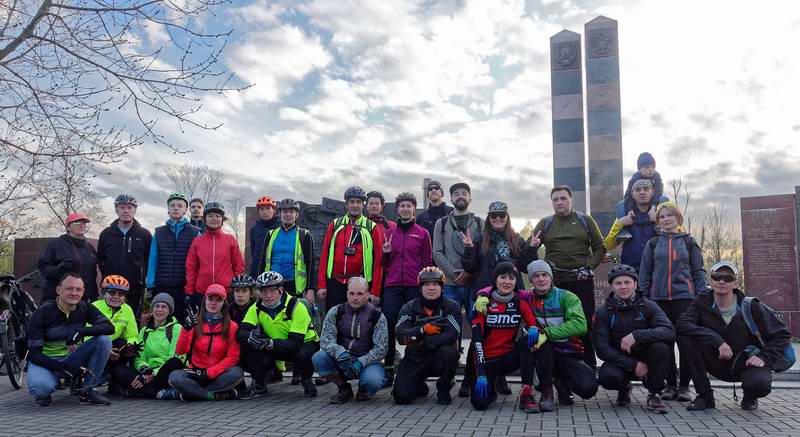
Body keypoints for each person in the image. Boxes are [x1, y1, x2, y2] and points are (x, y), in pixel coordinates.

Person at [475, 260, 598, 409]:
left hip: (567, 354)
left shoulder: (567, 297)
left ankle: (562, 382)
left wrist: (547, 333)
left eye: (545, 275)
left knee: (588, 387)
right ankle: (547, 392)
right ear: (531, 280)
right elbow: (503, 288)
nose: (541, 279)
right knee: (534, 343)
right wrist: (483, 294)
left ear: (551, 277)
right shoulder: (526, 296)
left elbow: (580, 325)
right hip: (541, 354)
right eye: (536, 276)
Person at [677, 261, 791, 411]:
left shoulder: (751, 306)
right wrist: (717, 341)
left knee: (760, 384)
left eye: (728, 278)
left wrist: (763, 358)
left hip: (747, 363)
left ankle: (750, 396)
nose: (722, 281)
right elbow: (682, 324)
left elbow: (782, 335)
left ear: (735, 284)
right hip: (716, 361)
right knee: (685, 337)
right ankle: (705, 396)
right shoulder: (701, 302)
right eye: (717, 277)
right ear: (711, 281)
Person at [461, 201, 537, 396]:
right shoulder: (480, 239)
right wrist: (469, 249)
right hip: (487, 295)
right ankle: (469, 380)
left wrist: (532, 248)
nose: (497, 219)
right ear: (489, 218)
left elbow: (526, 266)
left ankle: (500, 379)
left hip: (512, 295)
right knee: (481, 337)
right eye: (493, 216)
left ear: (507, 217)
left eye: (501, 215)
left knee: (508, 336)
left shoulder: (516, 239)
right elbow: (471, 268)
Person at [530, 185, 606, 369]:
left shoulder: (584, 220)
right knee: (554, 323)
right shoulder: (545, 223)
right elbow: (528, 248)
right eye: (555, 199)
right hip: (554, 283)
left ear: (571, 200)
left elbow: (600, 248)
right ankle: (552, 367)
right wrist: (535, 255)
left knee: (584, 323)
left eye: (563, 198)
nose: (559, 202)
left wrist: (589, 267)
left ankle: (589, 365)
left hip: (581, 281)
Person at [639, 201, 706, 401]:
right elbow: (645, 273)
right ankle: (670, 385)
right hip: (658, 300)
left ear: (678, 218)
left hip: (685, 298)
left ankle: (685, 386)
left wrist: (701, 296)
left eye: (670, 216)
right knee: (664, 342)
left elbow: (698, 271)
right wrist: (644, 297)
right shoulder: (652, 243)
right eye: (662, 217)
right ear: (658, 221)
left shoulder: (689, 242)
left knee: (685, 343)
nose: (666, 219)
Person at [594, 264, 674, 414]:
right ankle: (623, 387)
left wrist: (637, 335)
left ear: (635, 284)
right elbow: (602, 349)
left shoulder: (649, 306)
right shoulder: (603, 313)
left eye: (627, 282)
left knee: (661, 348)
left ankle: (654, 394)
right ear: (611, 286)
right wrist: (634, 364)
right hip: (620, 361)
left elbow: (669, 331)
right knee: (607, 377)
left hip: (648, 357)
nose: (623, 287)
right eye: (618, 283)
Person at [26, 273, 114, 406]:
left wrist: (81, 332)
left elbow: (109, 327)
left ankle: (87, 390)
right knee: (41, 390)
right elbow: (34, 354)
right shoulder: (42, 312)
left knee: (104, 340)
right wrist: (64, 368)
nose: (74, 293)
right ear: (58, 290)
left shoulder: (84, 307)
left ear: (83, 292)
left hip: (73, 357)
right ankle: (53, 383)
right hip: (47, 360)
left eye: (78, 289)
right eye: (69, 289)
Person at [469, 262, 540, 413]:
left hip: (508, 358)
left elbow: (532, 322)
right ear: (495, 279)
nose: (507, 282)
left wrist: (533, 328)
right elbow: (477, 341)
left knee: (527, 341)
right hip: (486, 361)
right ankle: (491, 386)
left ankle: (527, 393)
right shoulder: (483, 303)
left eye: (512, 278)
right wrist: (481, 373)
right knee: (479, 404)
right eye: (503, 277)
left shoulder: (520, 302)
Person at [237, 271, 321, 399]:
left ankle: (306, 380)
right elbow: (242, 331)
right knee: (247, 346)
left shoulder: (297, 307)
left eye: (272, 290)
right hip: (275, 345)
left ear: (281, 290)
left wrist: (270, 343)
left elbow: (295, 342)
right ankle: (260, 382)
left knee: (303, 355)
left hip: (304, 344)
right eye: (264, 291)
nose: (268, 295)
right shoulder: (257, 307)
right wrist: (251, 338)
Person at [381, 192, 432, 384]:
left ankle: (416, 368)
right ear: (397, 209)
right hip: (393, 286)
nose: (405, 209)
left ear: (413, 209)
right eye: (402, 206)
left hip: (413, 286)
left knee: (415, 327)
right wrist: (386, 254)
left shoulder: (422, 233)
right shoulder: (389, 234)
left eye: (409, 206)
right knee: (389, 325)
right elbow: (384, 265)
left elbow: (427, 262)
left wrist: (424, 287)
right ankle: (388, 368)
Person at [392, 267, 461, 406]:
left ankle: (444, 387)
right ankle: (418, 384)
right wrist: (422, 330)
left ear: (442, 287)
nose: (431, 288)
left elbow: (452, 334)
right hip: (415, 357)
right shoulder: (409, 307)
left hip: (439, 356)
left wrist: (425, 341)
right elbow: (400, 334)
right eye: (427, 284)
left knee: (450, 352)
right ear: (420, 287)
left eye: (435, 284)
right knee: (401, 397)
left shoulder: (452, 307)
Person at [313, 277, 388, 403]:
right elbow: (326, 340)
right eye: (351, 293)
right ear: (347, 293)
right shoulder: (336, 311)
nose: (355, 297)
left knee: (374, 381)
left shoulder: (377, 316)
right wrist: (339, 352)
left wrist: (362, 361)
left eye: (360, 293)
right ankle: (344, 388)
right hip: (341, 358)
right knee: (318, 358)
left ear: (367, 294)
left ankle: (363, 389)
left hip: (366, 361)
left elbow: (381, 348)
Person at [162, 284, 244, 401]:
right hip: (196, 371)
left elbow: (232, 357)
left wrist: (210, 372)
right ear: (205, 300)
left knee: (237, 373)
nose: (213, 303)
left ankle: (193, 393)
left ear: (223, 304)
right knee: (175, 377)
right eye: (210, 299)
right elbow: (181, 351)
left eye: (218, 300)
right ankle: (213, 395)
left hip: (218, 373)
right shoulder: (195, 322)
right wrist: (186, 329)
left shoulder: (232, 326)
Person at [317, 186, 384, 310]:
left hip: (360, 284)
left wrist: (375, 291)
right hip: (336, 282)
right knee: (333, 320)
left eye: (358, 202)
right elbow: (325, 255)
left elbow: (378, 261)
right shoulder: (335, 224)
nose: (355, 205)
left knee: (359, 323)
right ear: (346, 204)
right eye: (351, 202)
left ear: (363, 205)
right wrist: (321, 284)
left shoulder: (371, 227)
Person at [111, 293, 185, 399]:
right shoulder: (144, 331)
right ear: (152, 309)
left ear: (169, 311)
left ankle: (141, 391)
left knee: (174, 362)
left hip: (165, 372)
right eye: (157, 306)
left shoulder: (176, 328)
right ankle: (156, 393)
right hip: (147, 373)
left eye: (164, 307)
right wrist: (144, 369)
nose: (159, 310)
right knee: (117, 370)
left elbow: (175, 355)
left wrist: (151, 375)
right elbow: (139, 357)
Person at [146, 192, 201, 321]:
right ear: (168, 209)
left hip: (184, 286)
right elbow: (153, 260)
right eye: (172, 205)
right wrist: (150, 285)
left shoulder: (195, 232)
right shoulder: (158, 232)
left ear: (185, 210)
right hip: (162, 285)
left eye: (180, 206)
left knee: (183, 321)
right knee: (162, 320)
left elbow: (199, 262)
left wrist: (194, 286)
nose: (176, 208)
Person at [96, 194, 152, 317]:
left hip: (135, 286)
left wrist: (141, 276)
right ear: (117, 210)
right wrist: (107, 275)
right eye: (122, 207)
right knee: (108, 319)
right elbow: (100, 259)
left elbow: (149, 260)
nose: (126, 211)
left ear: (134, 210)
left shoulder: (144, 234)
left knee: (132, 318)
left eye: (130, 208)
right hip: (111, 286)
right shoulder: (106, 233)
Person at [185, 201, 245, 310]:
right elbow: (191, 267)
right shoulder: (197, 241)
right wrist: (189, 291)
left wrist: (235, 288)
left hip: (226, 291)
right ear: (205, 219)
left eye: (218, 216)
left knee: (225, 324)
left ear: (222, 219)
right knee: (202, 324)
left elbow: (238, 266)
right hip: (202, 292)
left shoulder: (230, 240)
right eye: (210, 216)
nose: (214, 219)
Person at [256, 198, 316, 300]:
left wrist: (310, 289)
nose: (287, 214)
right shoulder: (271, 234)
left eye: (291, 212)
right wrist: (258, 285)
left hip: (294, 285)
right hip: (272, 285)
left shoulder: (304, 235)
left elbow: (311, 263)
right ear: (280, 214)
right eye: (284, 211)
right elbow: (262, 261)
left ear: (296, 215)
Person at [37, 212, 100, 302]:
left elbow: (92, 274)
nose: (82, 226)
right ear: (67, 227)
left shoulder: (89, 247)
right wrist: (58, 270)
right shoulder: (56, 244)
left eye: (84, 223)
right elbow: (44, 267)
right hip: (57, 298)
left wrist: (93, 294)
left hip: (83, 298)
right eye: (77, 223)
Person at [92, 275, 139, 388]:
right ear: (104, 293)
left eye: (121, 294)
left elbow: (132, 335)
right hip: (95, 345)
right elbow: (87, 336)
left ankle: (115, 381)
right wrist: (106, 350)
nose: (116, 297)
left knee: (123, 344)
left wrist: (128, 347)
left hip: (115, 347)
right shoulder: (94, 306)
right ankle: (92, 377)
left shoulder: (127, 309)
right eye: (112, 293)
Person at [604, 179, 659, 269]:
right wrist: (620, 223)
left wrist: (659, 222)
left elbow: (677, 240)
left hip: (656, 269)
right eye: (637, 190)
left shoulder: (663, 215)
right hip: (630, 270)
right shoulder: (623, 215)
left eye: (646, 189)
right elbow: (609, 244)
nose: (642, 192)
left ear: (652, 192)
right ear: (632, 195)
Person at [614, 152, 665, 242]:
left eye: (653, 167)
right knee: (620, 204)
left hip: (654, 200)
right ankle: (624, 230)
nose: (651, 170)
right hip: (634, 203)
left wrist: (654, 207)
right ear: (639, 169)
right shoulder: (635, 178)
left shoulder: (656, 176)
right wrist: (629, 210)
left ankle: (659, 226)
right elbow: (628, 195)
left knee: (664, 199)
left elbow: (658, 192)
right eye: (647, 167)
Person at [249, 196, 280, 278]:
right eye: (262, 209)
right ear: (258, 211)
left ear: (273, 210)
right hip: (259, 273)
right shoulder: (254, 230)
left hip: (277, 270)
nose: (265, 212)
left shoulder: (281, 227)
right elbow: (253, 253)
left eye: (268, 208)